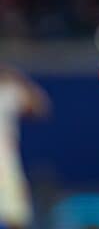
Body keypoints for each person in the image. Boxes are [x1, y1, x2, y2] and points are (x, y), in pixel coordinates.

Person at [0, 66, 49, 229]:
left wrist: (16, 76)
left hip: (4, 163)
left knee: (15, 217)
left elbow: (40, 107)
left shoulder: (6, 90)